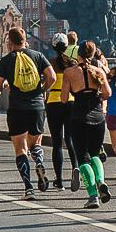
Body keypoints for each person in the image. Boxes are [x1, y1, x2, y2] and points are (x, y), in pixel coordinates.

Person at [0, 26, 56, 198]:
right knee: (34, 144)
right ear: (25, 40)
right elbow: (51, 77)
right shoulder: (38, 56)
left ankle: (28, 188)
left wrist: (7, 84)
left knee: (20, 149)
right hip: (37, 106)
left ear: (10, 41)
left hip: (16, 108)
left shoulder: (6, 60)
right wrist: (42, 90)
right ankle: (38, 160)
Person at [65, 40, 112, 208]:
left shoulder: (70, 72)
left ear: (78, 55)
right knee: (94, 154)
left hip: (79, 117)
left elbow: (64, 98)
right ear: (93, 54)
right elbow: (108, 93)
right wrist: (97, 97)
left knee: (82, 157)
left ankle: (93, 196)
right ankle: (101, 181)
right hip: (98, 117)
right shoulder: (99, 71)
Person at [44, 38, 74, 190]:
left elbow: (46, 82)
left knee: (57, 143)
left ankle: (59, 180)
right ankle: (77, 170)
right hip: (70, 101)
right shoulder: (72, 63)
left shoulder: (50, 63)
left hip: (54, 102)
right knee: (70, 139)